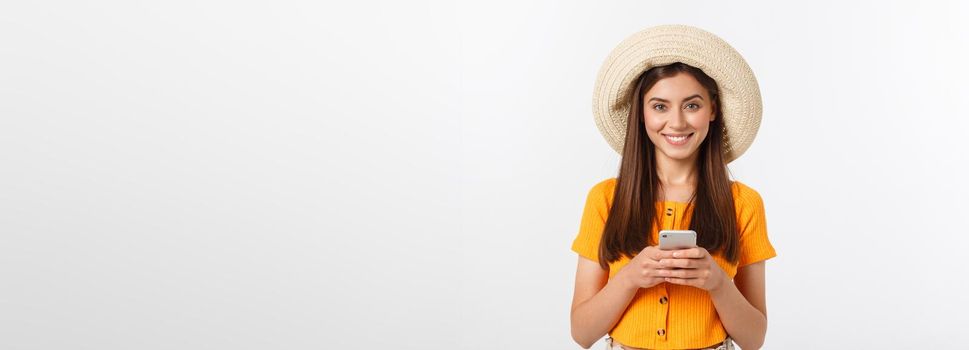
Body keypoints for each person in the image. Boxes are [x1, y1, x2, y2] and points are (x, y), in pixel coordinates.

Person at [570, 25, 777, 350]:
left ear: (713, 110)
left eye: (692, 105)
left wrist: (718, 283)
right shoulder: (605, 199)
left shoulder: (743, 204)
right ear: (641, 113)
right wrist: (630, 278)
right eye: (660, 106)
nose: (677, 122)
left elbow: (754, 339)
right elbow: (582, 333)